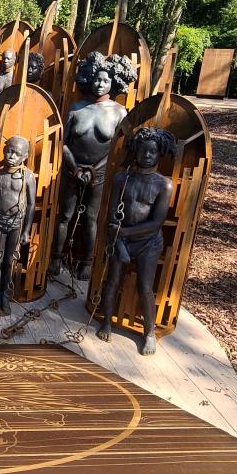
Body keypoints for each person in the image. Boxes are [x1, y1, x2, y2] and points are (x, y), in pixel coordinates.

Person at [48, 51, 138, 280]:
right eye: (97, 79)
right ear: (90, 78)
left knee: (91, 218)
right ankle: (55, 258)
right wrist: (76, 168)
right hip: (72, 170)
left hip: (99, 175)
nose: (100, 84)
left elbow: (121, 150)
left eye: (106, 81)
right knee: (64, 216)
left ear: (113, 83)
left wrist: (94, 170)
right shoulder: (77, 108)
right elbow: (62, 142)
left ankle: (86, 262)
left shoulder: (119, 112)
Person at [97, 127, 175, 355]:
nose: (147, 156)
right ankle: (107, 321)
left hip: (148, 242)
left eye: (152, 152)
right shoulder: (122, 178)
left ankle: (149, 333)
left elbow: (156, 223)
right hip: (121, 237)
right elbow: (112, 215)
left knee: (144, 286)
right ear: (136, 151)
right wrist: (118, 240)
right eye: (143, 151)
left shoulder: (163, 185)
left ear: (159, 154)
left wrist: (124, 233)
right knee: (112, 281)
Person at [0, 136, 36, 316]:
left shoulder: (28, 177)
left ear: (25, 156)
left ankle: (5, 295)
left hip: (16, 225)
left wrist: (26, 230)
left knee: (8, 262)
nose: (11, 156)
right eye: (8, 151)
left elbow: (31, 205)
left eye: (16, 153)